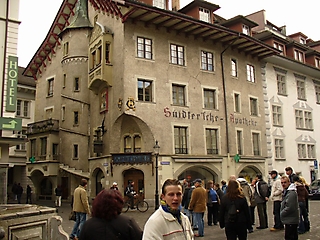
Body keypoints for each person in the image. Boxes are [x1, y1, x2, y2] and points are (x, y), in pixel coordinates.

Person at [280, 176, 299, 240]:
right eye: (282, 183)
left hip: (291, 220)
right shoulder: (286, 191)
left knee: (290, 237)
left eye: (285, 182)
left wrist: (282, 213)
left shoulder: (291, 193)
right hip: (289, 219)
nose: (283, 184)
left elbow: (290, 207)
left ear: (289, 182)